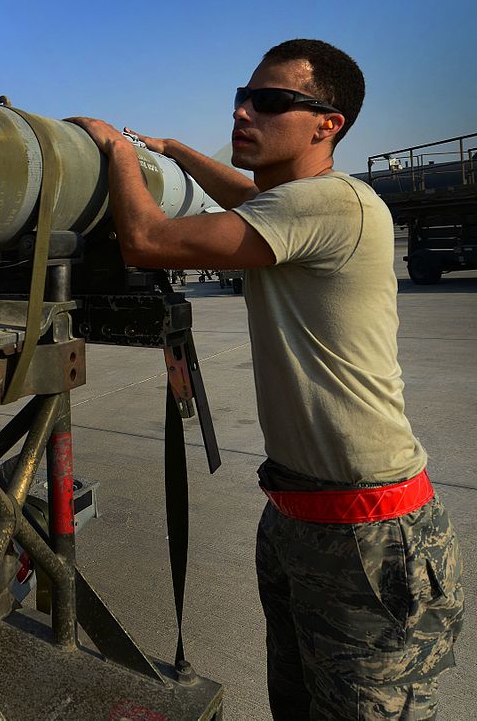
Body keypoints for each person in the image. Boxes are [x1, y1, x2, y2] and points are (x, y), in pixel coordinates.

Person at [69, 39, 463, 720]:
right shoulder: (300, 204)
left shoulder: (330, 203)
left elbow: (147, 240)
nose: (243, 111)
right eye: (242, 97)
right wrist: (174, 150)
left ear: (327, 124)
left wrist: (116, 150)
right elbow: (249, 195)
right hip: (301, 515)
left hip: (368, 536)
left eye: (271, 101)